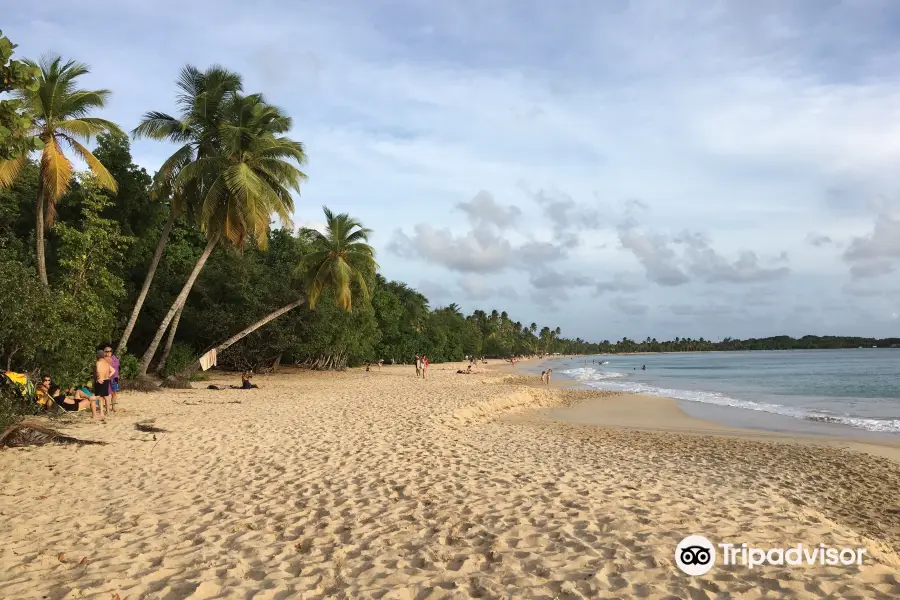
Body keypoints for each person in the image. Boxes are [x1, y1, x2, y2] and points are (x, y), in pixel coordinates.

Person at [94, 349, 113, 416]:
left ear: (98, 356)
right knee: (106, 396)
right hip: (106, 380)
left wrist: (98, 378)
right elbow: (113, 370)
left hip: (100, 381)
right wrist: (108, 376)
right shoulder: (106, 363)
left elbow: (98, 370)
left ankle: (102, 412)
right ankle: (107, 412)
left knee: (100, 397)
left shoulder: (98, 362)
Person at [104, 346, 120, 411]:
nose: (109, 352)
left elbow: (116, 365)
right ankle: (106, 408)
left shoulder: (114, 358)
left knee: (114, 392)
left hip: (114, 378)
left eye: (110, 351)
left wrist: (109, 364)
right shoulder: (102, 359)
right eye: (107, 351)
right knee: (106, 394)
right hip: (106, 378)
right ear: (104, 352)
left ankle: (113, 407)